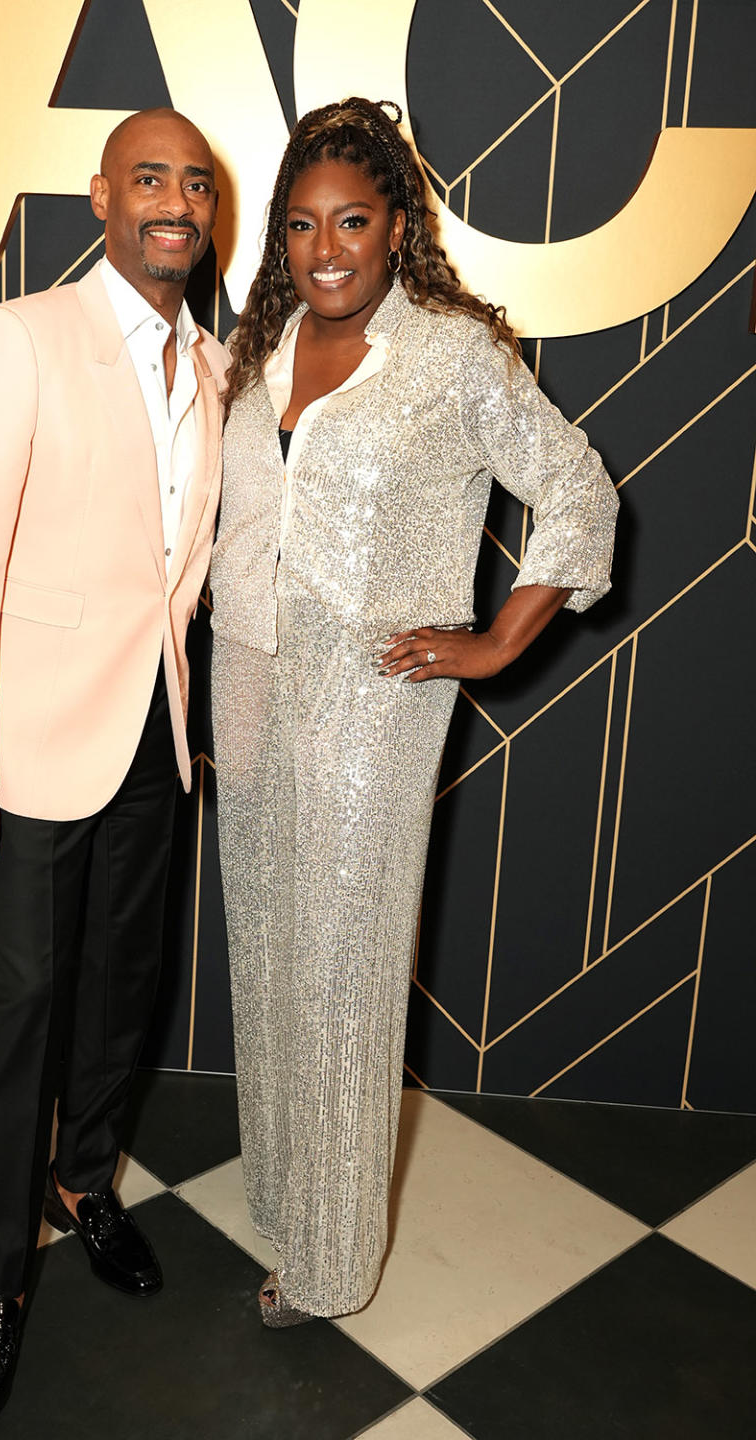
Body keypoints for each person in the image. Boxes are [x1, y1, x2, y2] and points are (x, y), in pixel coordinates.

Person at [210, 98, 618, 1326]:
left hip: (369, 690)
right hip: (248, 671)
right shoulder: (260, 345)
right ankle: (289, 1197)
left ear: (397, 227)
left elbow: (579, 491)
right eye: (300, 224)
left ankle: (331, 1270)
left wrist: (497, 638)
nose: (325, 246)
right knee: (267, 951)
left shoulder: (449, 352)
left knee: (341, 968)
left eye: (352, 220)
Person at [0, 108, 227, 1432]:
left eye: (196, 185)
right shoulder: (20, 338)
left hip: (154, 733)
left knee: (125, 988)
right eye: (149, 177)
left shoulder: (214, 364)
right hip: (30, 750)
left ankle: (85, 1184)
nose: (174, 201)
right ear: (100, 196)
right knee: (22, 1012)